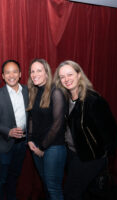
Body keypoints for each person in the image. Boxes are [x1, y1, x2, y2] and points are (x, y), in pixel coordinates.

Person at [53, 60, 117, 200]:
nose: (66, 79)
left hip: (90, 158)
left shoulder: (93, 100)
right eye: (62, 76)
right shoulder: (65, 99)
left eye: (70, 74)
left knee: (71, 194)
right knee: (85, 193)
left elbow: (112, 132)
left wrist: (102, 157)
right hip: (72, 154)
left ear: (79, 75)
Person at [27, 58, 67, 200]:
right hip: (37, 145)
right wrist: (30, 139)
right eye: (32, 71)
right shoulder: (34, 92)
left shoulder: (56, 92)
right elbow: (32, 118)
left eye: (39, 70)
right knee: (46, 185)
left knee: (53, 188)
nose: (35, 74)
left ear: (46, 73)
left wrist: (42, 148)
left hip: (53, 147)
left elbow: (58, 124)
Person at [0, 60, 29, 200]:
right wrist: (8, 131)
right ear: (3, 76)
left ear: (20, 74)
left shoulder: (28, 91)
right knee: (2, 179)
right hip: (3, 145)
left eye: (14, 71)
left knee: (15, 176)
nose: (11, 75)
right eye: (7, 72)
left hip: (22, 144)